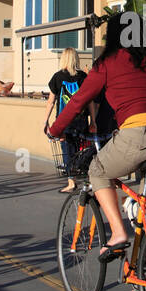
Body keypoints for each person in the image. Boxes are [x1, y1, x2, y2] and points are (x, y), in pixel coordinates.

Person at [46, 12, 146, 261]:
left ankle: (118, 234)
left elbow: (78, 101)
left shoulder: (107, 62)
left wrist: (55, 129)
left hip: (138, 135)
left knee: (98, 170)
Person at [44, 47, 97, 193]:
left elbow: (51, 102)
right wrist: (93, 121)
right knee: (82, 149)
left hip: (64, 122)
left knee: (67, 149)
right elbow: (90, 101)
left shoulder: (57, 77)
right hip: (80, 121)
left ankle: (71, 182)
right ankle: (86, 178)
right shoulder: (83, 77)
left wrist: (46, 121)